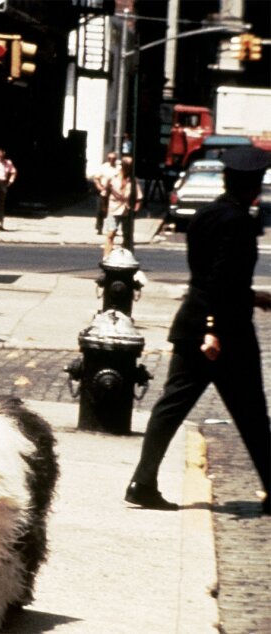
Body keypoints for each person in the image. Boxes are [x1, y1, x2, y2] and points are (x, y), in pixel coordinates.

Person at [125, 146, 271, 514]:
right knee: (252, 415)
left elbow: (205, 276)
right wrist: (213, 329)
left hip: (193, 324)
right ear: (253, 186)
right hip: (225, 335)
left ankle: (142, 482)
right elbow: (221, 279)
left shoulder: (206, 214)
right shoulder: (239, 222)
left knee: (170, 408)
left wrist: (253, 298)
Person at [103, 156, 142, 258]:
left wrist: (135, 210)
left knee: (127, 235)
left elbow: (139, 197)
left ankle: (126, 257)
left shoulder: (133, 180)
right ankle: (106, 256)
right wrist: (104, 209)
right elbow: (105, 194)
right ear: (122, 165)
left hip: (127, 211)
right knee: (110, 233)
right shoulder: (112, 177)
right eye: (126, 165)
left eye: (130, 166)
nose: (128, 168)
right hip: (112, 210)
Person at [92, 151, 120, 235]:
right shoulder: (103, 167)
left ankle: (112, 229)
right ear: (108, 159)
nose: (112, 160)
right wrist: (99, 187)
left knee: (113, 211)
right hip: (104, 191)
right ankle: (99, 228)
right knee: (101, 210)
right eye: (110, 158)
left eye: (114, 158)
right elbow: (96, 178)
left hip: (114, 192)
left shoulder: (119, 168)